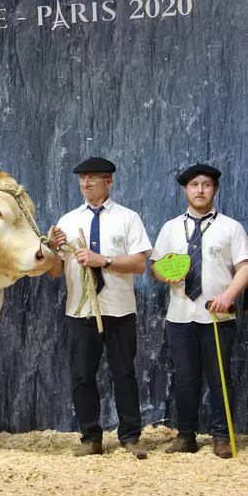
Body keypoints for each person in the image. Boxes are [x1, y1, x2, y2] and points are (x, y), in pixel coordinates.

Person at [48, 157, 152, 459]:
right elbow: (55, 271)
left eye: (93, 178)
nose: (85, 183)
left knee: (125, 373)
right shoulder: (67, 221)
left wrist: (102, 260)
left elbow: (139, 264)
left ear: (109, 182)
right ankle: (90, 437)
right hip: (81, 312)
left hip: (119, 309)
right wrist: (53, 250)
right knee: (83, 375)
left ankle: (130, 436)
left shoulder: (128, 218)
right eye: (82, 178)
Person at [150, 163, 248, 458]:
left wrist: (229, 295)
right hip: (179, 316)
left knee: (220, 377)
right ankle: (186, 436)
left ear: (215, 189)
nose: (200, 190)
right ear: (186, 190)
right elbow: (155, 267)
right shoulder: (170, 228)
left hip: (217, 316)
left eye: (206, 184)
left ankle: (222, 436)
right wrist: (163, 275)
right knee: (185, 378)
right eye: (194, 185)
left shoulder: (231, 227)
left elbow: (244, 267)